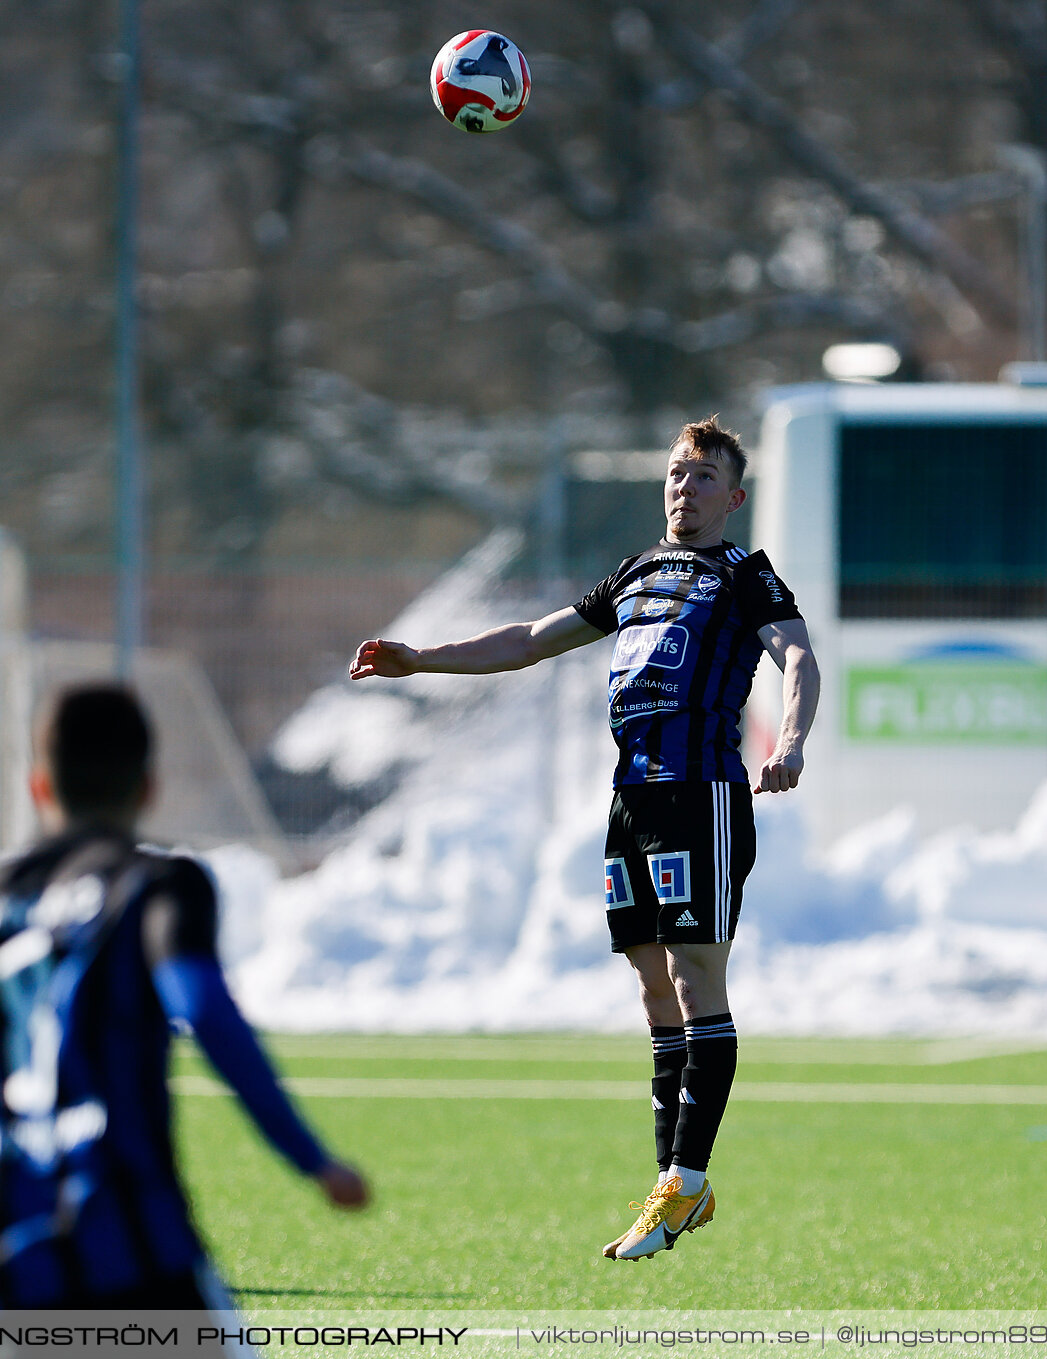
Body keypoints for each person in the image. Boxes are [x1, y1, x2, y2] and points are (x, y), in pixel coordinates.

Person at [350, 415, 819, 1262]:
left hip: (701, 793)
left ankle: (687, 1177)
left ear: (734, 497)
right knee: (652, 988)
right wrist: (420, 659)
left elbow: (798, 656)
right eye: (679, 472)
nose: (687, 486)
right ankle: (671, 1190)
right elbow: (529, 640)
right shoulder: (635, 575)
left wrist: (787, 743)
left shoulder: (745, 575)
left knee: (694, 971)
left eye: (706, 476)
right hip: (632, 798)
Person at [0, 683, 368, 1314]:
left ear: (39, 787)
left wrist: (6, 1173)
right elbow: (204, 1008)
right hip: (131, 1251)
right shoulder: (155, 884)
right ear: (148, 787)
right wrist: (312, 1160)